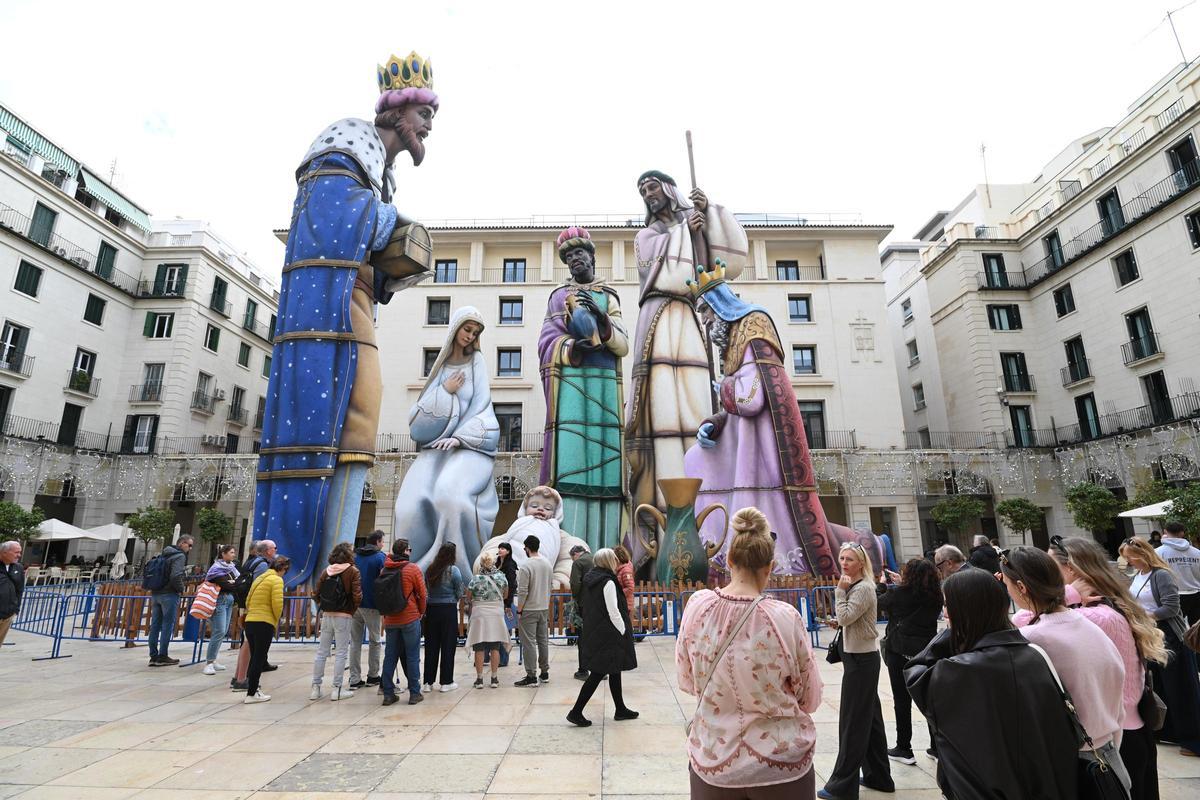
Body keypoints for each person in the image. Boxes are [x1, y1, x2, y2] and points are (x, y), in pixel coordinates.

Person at [254, 51, 438, 584]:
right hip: (327, 306)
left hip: (353, 295)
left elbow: (368, 244)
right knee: (352, 407)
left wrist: (393, 265)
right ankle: (309, 568)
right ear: (398, 111)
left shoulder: (380, 173)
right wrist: (393, 223)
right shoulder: (346, 142)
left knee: (361, 416)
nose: (429, 124)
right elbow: (335, 216)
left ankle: (329, 565)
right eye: (423, 112)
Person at [682, 262, 881, 577]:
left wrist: (726, 389)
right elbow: (739, 402)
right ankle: (714, 549)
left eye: (706, 313)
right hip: (739, 436)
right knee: (696, 457)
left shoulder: (753, 327)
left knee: (710, 467)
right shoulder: (734, 338)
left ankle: (770, 562)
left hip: (759, 446)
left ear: (720, 307)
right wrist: (715, 422)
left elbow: (753, 398)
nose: (706, 322)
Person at [626, 171, 748, 569]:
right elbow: (657, 264)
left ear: (669, 190)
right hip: (659, 317)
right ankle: (661, 536)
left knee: (697, 403)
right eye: (644, 190)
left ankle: (712, 530)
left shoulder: (689, 221)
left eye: (654, 186)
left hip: (690, 318)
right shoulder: (645, 236)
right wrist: (685, 228)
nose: (649, 194)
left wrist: (707, 213)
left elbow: (721, 265)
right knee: (660, 412)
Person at [676, 507, 822, 798]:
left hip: (714, 759)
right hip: (780, 763)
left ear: (729, 559)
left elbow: (686, 680)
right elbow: (810, 697)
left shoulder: (698, 606)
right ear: (769, 567)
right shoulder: (784, 617)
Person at [905, 568, 1081, 799]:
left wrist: (953, 631)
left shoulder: (962, 669)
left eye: (949, 606)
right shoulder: (1034, 656)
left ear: (963, 611)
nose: (945, 612)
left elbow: (915, 674)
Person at [1000, 546, 1131, 790]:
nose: (1006, 590)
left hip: (1070, 769)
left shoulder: (1031, 639)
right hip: (1110, 763)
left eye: (1006, 583)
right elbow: (1117, 704)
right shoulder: (1090, 625)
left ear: (1021, 587)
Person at [1054, 536, 1169, 800]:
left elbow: (1030, 626)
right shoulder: (1108, 603)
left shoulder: (1092, 615)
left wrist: (1067, 595)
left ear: (1070, 569)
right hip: (1132, 726)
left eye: (1051, 566)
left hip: (1116, 736)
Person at [538, 227, 629, 549]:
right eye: (570, 256)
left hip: (604, 382)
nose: (576, 259)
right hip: (572, 383)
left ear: (592, 257)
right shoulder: (558, 296)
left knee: (607, 467)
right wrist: (572, 345)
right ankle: (568, 547)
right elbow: (547, 340)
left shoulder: (609, 294)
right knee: (572, 462)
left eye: (580, 253)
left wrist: (601, 318)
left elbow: (622, 343)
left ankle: (609, 546)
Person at [395, 306, 500, 576]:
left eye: (475, 332)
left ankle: (456, 572)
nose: (469, 336)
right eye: (467, 329)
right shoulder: (440, 368)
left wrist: (460, 438)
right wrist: (445, 390)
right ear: (455, 328)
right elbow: (419, 416)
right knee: (409, 505)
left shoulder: (477, 362)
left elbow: (482, 407)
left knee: (450, 496)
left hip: (469, 446)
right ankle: (413, 570)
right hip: (435, 449)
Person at [820, 542, 893, 798]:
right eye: (841, 558)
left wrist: (839, 593)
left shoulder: (861, 588)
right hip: (858, 658)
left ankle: (842, 785)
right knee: (870, 720)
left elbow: (845, 617)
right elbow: (850, 620)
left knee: (852, 722)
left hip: (862, 661)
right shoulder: (856, 586)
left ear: (861, 562)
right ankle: (879, 776)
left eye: (849, 559)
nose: (844, 563)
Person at [1121, 535, 1200, 757]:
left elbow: (1172, 608)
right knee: (1163, 687)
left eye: (1131, 558)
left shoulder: (1161, 575)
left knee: (1180, 687)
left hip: (1170, 636)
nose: (1129, 562)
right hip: (1152, 636)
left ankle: (1192, 738)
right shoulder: (1139, 575)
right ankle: (1171, 732)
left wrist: (1141, 615)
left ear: (1142, 555)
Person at [875, 558, 941, 765]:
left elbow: (878, 602)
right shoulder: (936, 596)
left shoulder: (897, 594)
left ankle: (904, 747)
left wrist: (883, 584)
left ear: (908, 575)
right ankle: (937, 747)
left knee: (901, 701)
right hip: (927, 653)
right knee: (929, 699)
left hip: (899, 652)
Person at [568, 548, 639, 727]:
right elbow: (613, 610)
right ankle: (575, 712)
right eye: (614, 559)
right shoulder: (607, 582)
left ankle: (620, 708)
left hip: (597, 630)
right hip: (609, 633)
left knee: (614, 669)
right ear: (609, 561)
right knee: (598, 673)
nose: (617, 561)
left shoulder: (592, 579)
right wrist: (623, 630)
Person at [310, 542, 363, 701]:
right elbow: (357, 595)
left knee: (321, 652)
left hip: (327, 614)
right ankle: (337, 689)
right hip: (344, 615)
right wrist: (351, 610)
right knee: (341, 653)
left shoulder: (327, 570)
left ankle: (315, 688)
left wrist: (323, 605)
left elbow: (316, 592)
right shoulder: (353, 571)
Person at [380, 538, 427, 706]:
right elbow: (422, 594)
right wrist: (421, 611)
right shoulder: (412, 569)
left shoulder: (385, 568)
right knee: (412, 656)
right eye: (410, 550)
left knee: (390, 656)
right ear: (406, 551)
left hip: (391, 619)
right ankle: (414, 693)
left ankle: (387, 693)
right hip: (410, 617)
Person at [230, 539, 276, 691]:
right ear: (268, 550)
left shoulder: (251, 562)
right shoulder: (262, 565)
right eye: (274, 548)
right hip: (254, 608)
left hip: (246, 605)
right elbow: (259, 586)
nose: (275, 551)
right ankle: (242, 679)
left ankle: (238, 676)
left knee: (247, 642)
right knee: (249, 643)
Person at [244, 555, 290, 704]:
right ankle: (252, 693)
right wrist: (276, 621)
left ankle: (252, 689)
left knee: (254, 657)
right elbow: (277, 604)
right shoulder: (276, 580)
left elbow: (248, 600)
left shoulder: (260, 578)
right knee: (259, 657)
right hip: (264, 622)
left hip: (250, 620)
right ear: (282, 568)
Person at [422, 542, 463, 693]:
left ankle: (428, 682)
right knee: (447, 645)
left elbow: (426, 589)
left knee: (431, 646)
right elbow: (459, 592)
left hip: (431, 609)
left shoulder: (430, 569)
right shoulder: (454, 570)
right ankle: (446, 682)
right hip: (448, 610)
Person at [465, 552, 509, 689]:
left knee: (479, 647)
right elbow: (506, 594)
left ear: (481, 564)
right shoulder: (501, 577)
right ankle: (494, 678)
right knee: (495, 646)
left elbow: (468, 596)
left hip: (480, 615)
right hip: (496, 614)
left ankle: (479, 680)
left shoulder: (476, 579)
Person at [148, 534, 193, 668]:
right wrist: (181, 589)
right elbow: (175, 575)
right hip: (169, 594)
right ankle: (162, 655)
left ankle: (153, 656)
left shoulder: (164, 554)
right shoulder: (179, 556)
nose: (190, 548)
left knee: (155, 625)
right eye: (189, 545)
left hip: (156, 592)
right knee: (167, 624)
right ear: (182, 543)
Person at [350, 530, 386, 688]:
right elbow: (384, 579)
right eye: (382, 541)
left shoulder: (355, 557)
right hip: (372, 604)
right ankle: (373, 675)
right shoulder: (380, 557)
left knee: (355, 642)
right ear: (378, 541)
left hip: (354, 604)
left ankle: (354, 678)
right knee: (375, 640)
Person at [515, 534, 552, 686]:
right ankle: (544, 672)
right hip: (543, 607)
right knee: (543, 641)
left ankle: (531, 676)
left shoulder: (526, 566)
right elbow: (549, 586)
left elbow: (523, 590)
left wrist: (519, 609)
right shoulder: (547, 563)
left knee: (529, 642)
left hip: (529, 608)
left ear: (527, 548)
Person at [202, 544, 240, 675]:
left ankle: (214, 659)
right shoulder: (216, 568)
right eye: (231, 552)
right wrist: (232, 583)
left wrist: (233, 583)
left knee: (223, 631)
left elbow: (238, 582)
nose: (233, 555)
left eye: (234, 552)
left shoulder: (231, 568)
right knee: (219, 631)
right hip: (219, 601)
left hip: (229, 600)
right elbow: (227, 585)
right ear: (223, 554)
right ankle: (209, 662)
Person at [1157, 522, 1200, 625]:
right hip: (1197, 594)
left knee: (1176, 630)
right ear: (1182, 533)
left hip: (1172, 595)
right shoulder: (1197, 552)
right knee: (1196, 632)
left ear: (1165, 532)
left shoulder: (1158, 553)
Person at [568, 544, 594, 681]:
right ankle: (600, 670)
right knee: (596, 636)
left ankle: (583, 670)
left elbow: (575, 584)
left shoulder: (578, 563)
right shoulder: (596, 559)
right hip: (598, 604)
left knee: (583, 637)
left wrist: (575, 598)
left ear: (576, 554)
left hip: (584, 604)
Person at [495, 541, 518, 667]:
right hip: (497, 602)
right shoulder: (497, 563)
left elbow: (512, 585)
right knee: (498, 630)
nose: (500, 550)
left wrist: (508, 603)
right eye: (499, 548)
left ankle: (503, 659)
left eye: (503, 548)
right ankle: (497, 657)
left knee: (504, 630)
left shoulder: (510, 565)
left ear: (508, 551)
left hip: (505, 603)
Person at [0, 542, 25, 646]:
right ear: (4, 552)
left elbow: (19, 590)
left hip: (8, 616)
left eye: (20, 552)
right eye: (16, 552)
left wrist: (16, 609)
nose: (19, 555)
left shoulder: (18, 567)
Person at [613, 544, 636, 631]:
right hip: (623, 602)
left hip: (625, 604)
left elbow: (630, 588)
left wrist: (618, 594)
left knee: (625, 627)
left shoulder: (625, 570)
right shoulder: (620, 569)